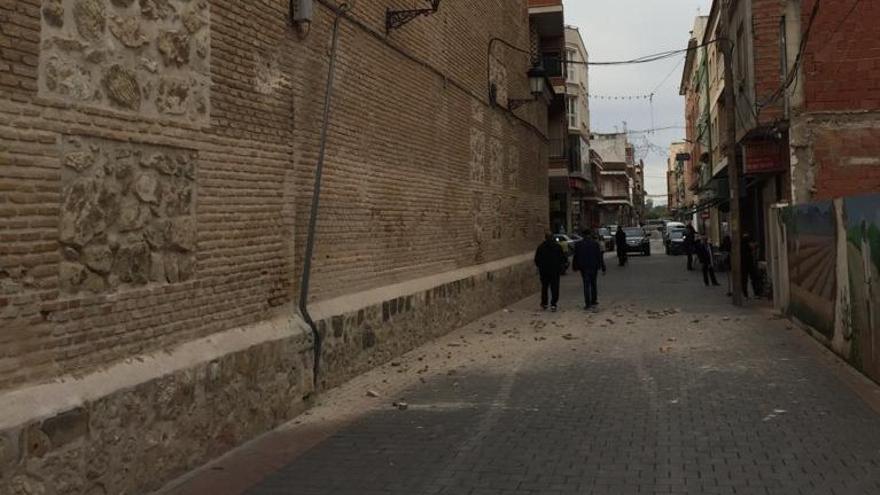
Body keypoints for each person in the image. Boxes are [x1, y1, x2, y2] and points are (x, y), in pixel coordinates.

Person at [573, 229, 607, 310]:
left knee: (586, 284)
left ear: (583, 235)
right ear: (590, 234)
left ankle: (587, 303)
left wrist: (575, 266)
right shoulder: (595, 244)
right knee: (593, 284)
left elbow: (576, 256)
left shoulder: (578, 244)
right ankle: (594, 300)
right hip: (593, 266)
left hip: (584, 267)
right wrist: (602, 267)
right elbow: (599, 256)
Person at [534, 232, 566, 311]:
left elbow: (536, 259)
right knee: (554, 287)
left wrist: (540, 266)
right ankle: (553, 304)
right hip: (555, 271)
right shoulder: (557, 247)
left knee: (544, 287)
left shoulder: (541, 247)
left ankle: (544, 303)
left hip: (544, 271)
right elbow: (563, 258)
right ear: (552, 238)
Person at [741, 233, 761, 298]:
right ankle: (756, 293)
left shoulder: (741, 245)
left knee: (745, 279)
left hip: (744, 264)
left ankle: (745, 294)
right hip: (749, 264)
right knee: (753, 278)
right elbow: (753, 246)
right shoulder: (746, 245)